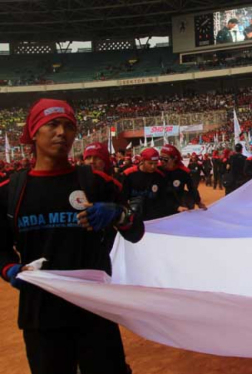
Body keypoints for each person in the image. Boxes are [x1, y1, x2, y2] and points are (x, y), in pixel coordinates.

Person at [1, 98, 144, 374]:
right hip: (40, 315)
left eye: (68, 126)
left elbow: (136, 232)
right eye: (52, 124)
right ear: (33, 132)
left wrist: (117, 214)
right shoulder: (10, 191)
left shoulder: (97, 183)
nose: (62, 133)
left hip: (94, 312)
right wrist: (10, 270)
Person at [159, 144, 207, 216]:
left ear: (174, 158)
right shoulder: (157, 169)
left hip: (178, 204)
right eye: (160, 158)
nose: (162, 161)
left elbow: (192, 188)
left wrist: (198, 201)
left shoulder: (183, 172)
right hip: (161, 205)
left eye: (165, 159)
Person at [122, 148, 167, 221]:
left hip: (154, 217)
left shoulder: (160, 176)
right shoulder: (129, 174)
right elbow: (122, 197)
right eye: (150, 163)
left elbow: (163, 198)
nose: (153, 166)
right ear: (142, 161)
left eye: (155, 163)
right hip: (134, 216)